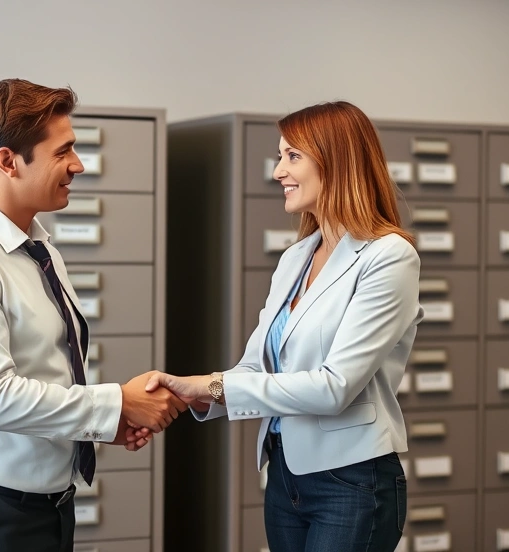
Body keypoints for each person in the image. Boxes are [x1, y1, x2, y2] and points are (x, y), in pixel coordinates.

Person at [0, 78, 185, 552]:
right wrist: (116, 402)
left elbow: (45, 368)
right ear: (7, 161)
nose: (78, 165)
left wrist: (107, 423)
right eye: (63, 151)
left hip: (49, 506)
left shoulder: (36, 248)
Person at [148, 101, 423, 552]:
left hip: (350, 480)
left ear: (337, 161)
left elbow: (335, 387)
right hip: (285, 475)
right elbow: (257, 366)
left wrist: (214, 386)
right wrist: (188, 391)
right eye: (281, 157)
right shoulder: (297, 256)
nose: (278, 171)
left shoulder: (388, 257)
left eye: (292, 156)